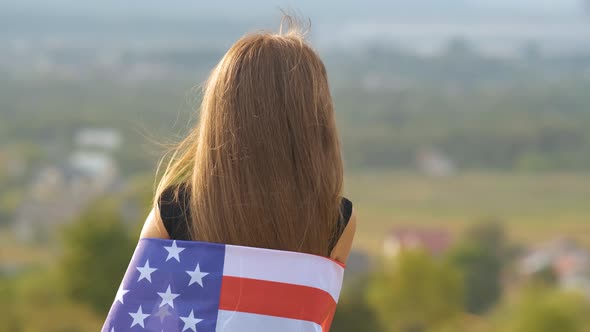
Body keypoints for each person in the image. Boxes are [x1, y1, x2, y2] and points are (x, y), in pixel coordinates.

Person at [140, 16, 356, 265]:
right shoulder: (338, 220)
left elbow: (137, 300)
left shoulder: (173, 209)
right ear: (315, 118)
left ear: (219, 115)